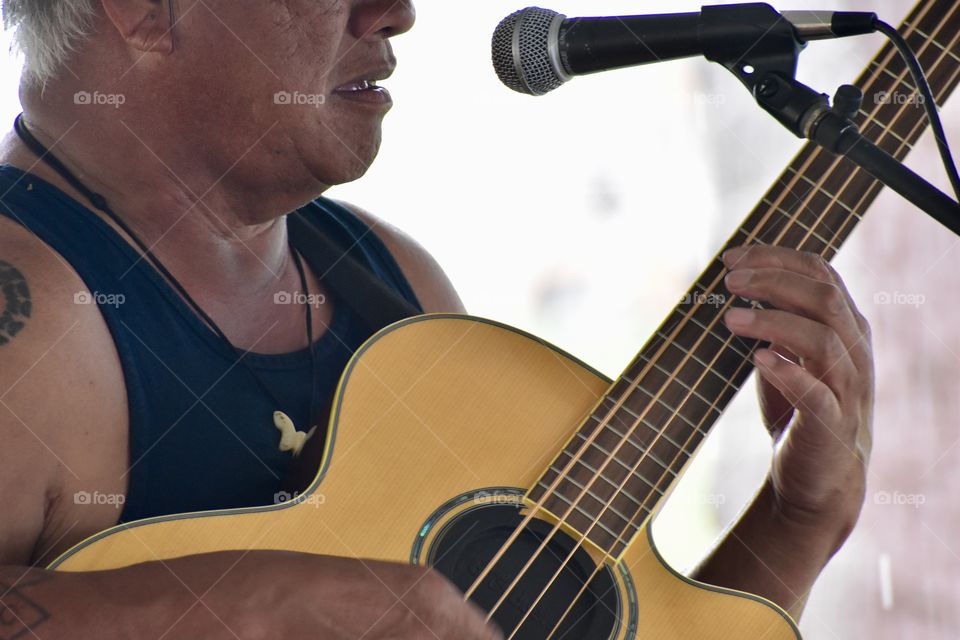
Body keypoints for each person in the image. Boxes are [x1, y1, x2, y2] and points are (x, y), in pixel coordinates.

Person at [0, 1, 874, 638]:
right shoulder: (33, 320)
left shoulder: (399, 289)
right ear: (142, 10)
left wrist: (798, 523)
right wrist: (240, 604)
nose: (396, 13)